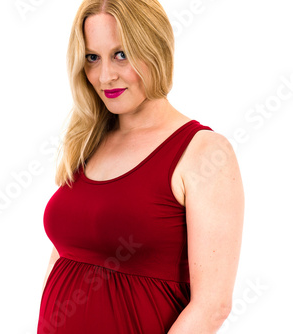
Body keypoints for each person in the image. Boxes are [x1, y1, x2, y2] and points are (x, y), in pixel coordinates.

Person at [37, 0, 244, 333]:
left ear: (156, 50)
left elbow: (213, 305)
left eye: (121, 54)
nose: (105, 76)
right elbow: (65, 255)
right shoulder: (89, 140)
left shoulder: (204, 152)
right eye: (93, 57)